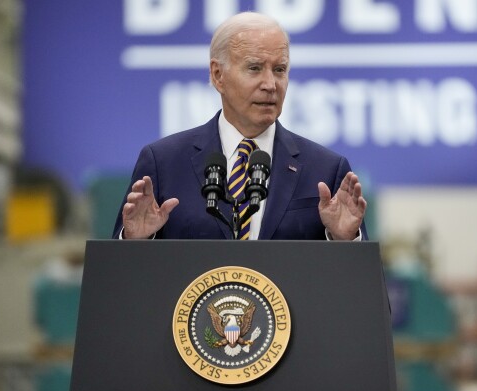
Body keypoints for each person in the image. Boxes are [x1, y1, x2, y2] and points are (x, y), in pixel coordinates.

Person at [112, 11, 367, 241]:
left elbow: (355, 282)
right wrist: (136, 242)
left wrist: (344, 239)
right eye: (254, 68)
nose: (270, 84)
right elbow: (120, 279)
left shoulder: (326, 169)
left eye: (279, 70)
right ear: (217, 75)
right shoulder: (164, 163)